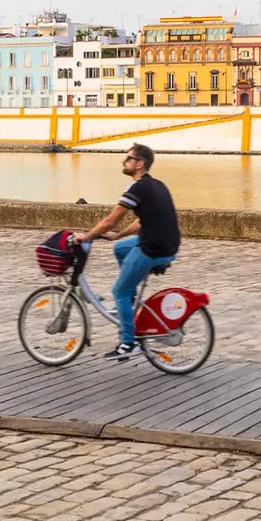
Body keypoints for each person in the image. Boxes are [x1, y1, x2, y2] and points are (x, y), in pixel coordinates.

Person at [77, 143, 181, 361]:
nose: (124, 161)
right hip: (167, 243)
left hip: (152, 248)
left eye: (128, 158)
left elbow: (110, 220)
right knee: (120, 248)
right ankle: (131, 303)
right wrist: (119, 236)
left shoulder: (138, 188)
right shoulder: (155, 185)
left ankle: (127, 343)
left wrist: (86, 236)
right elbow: (142, 221)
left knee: (119, 291)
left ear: (140, 164)